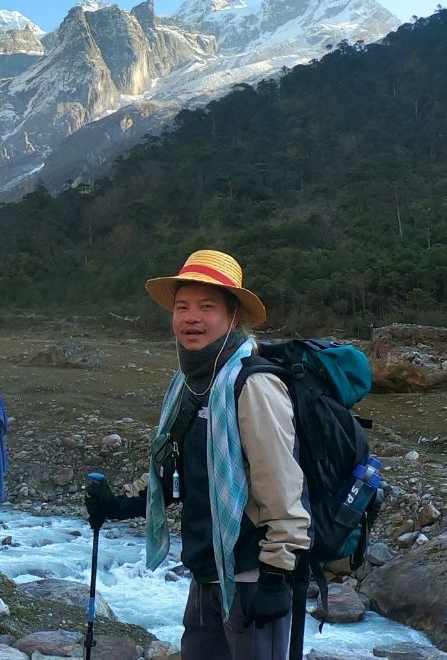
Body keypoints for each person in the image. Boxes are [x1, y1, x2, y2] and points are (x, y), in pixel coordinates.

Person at [85, 249, 311, 660]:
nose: (192, 318)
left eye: (207, 307)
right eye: (183, 307)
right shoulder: (188, 386)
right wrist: (119, 504)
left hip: (252, 576)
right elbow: (176, 470)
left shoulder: (252, 385)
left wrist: (278, 574)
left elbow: (281, 485)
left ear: (233, 318)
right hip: (207, 572)